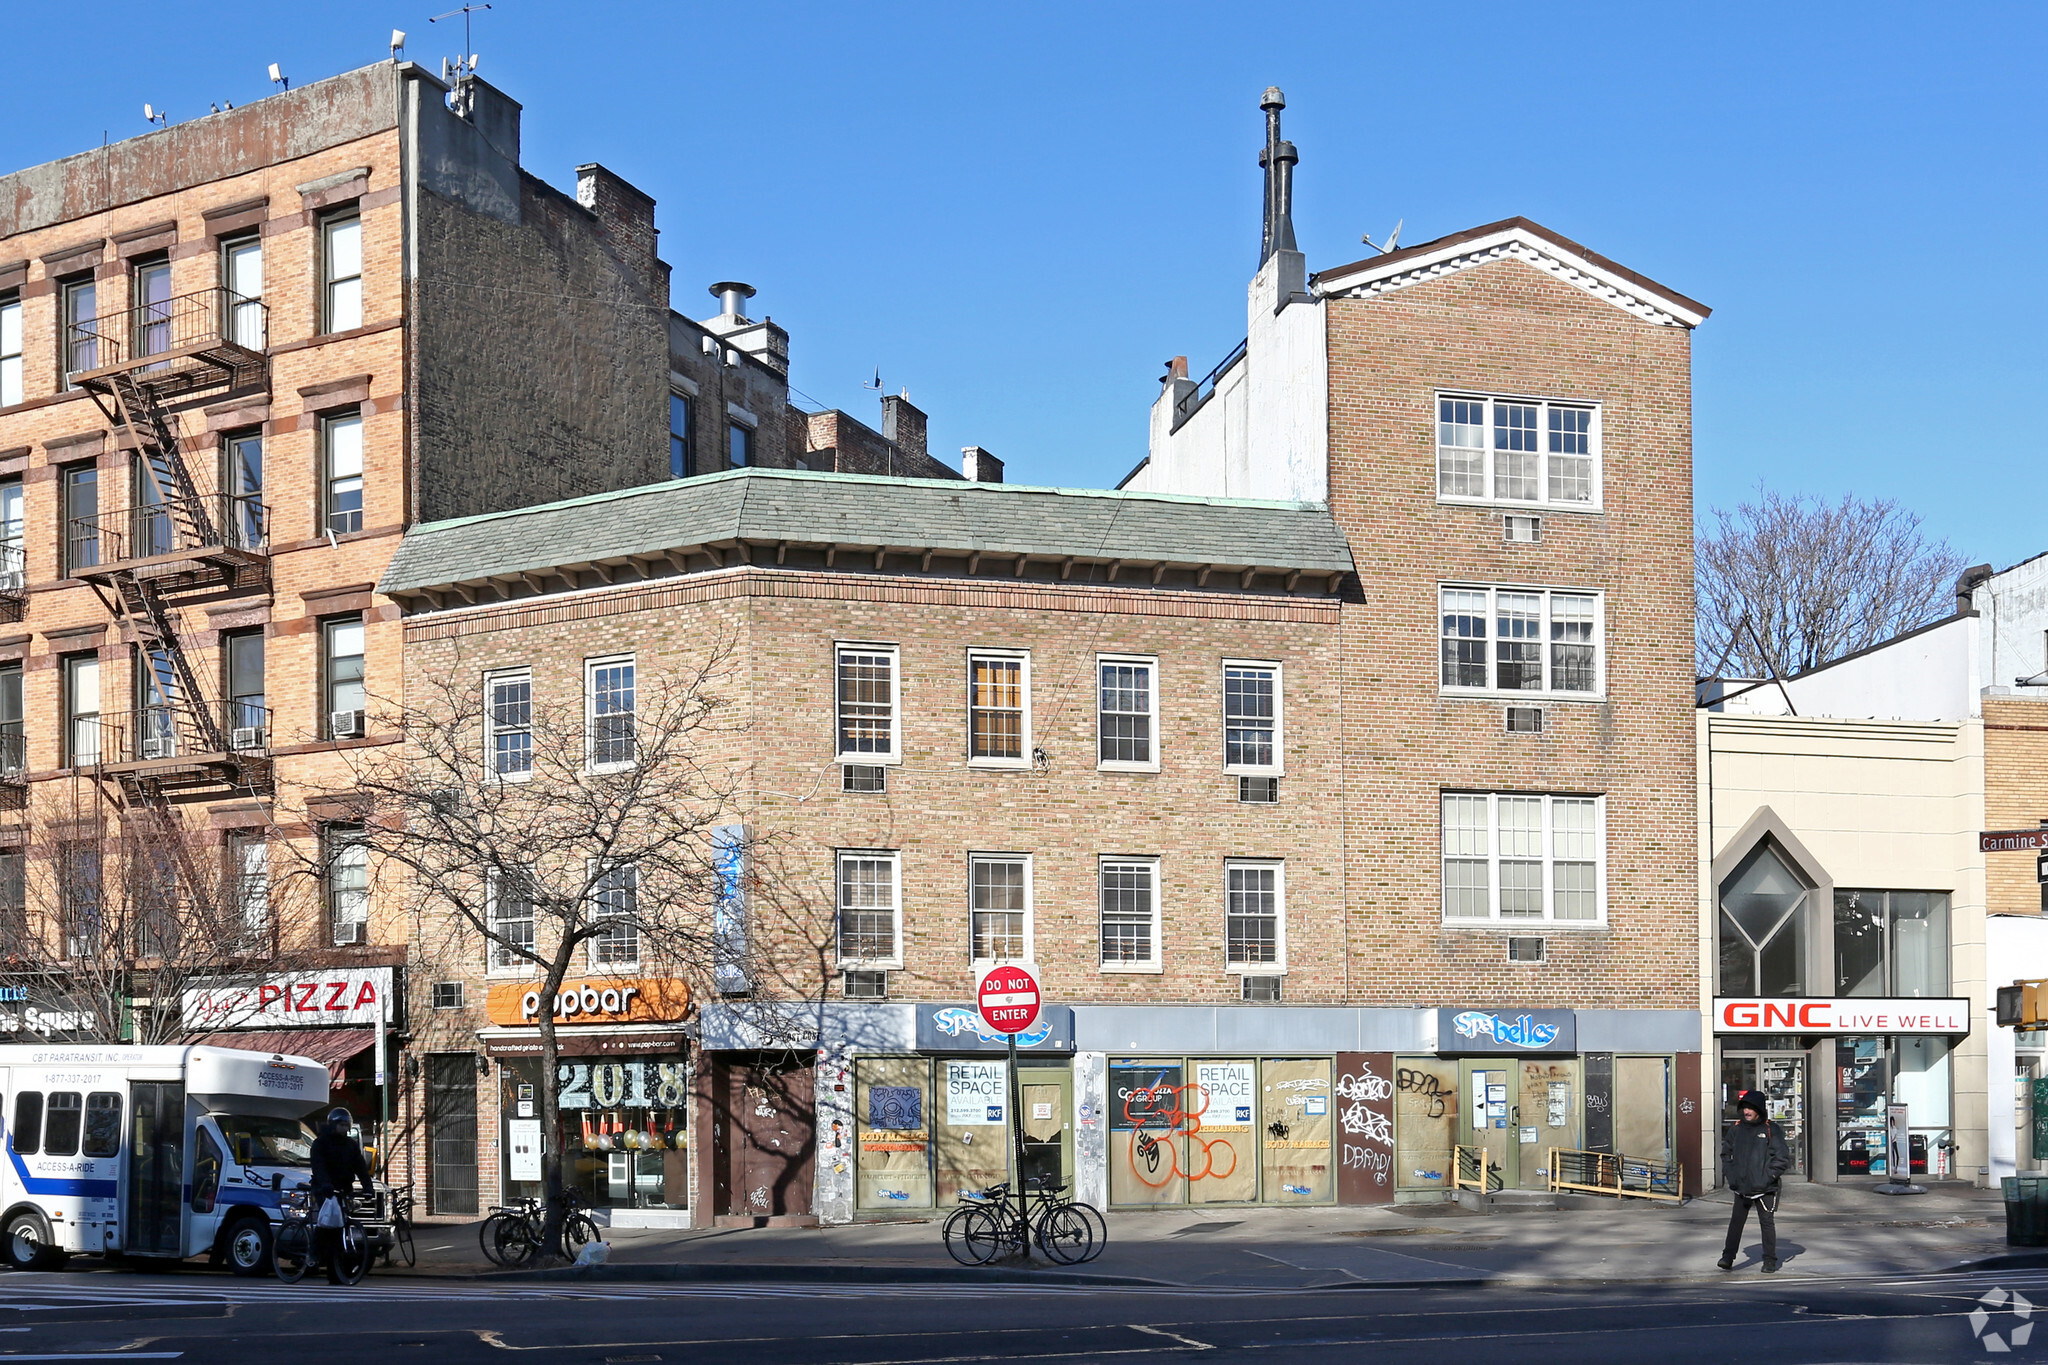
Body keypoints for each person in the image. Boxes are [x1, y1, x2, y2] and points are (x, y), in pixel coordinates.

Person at [1718, 1088, 1791, 1273]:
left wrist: (1768, 1177)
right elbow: (1726, 1154)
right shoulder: (1736, 1129)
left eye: (1750, 1108)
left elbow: (1782, 1158)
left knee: (1766, 1224)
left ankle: (1769, 1261)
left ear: (1759, 1109)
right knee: (1736, 1223)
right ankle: (1727, 1258)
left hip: (1765, 1188)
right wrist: (1731, 1176)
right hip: (1740, 1186)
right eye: (1744, 1108)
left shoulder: (1770, 1129)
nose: (1746, 1112)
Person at [307, 1106, 374, 1284]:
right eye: (342, 1125)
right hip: (325, 1189)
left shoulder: (350, 1145)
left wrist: (368, 1186)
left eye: (347, 1125)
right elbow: (319, 1166)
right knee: (326, 1223)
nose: (345, 1129)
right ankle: (313, 1253)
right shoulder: (321, 1143)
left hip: (344, 1188)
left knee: (339, 1229)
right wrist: (325, 1184)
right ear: (333, 1124)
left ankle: (335, 1273)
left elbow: (360, 1166)